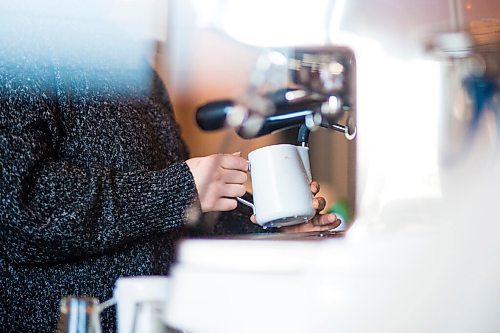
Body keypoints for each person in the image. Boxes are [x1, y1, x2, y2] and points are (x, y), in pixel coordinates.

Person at [0, 15, 340, 333]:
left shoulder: (133, 65)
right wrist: (181, 189)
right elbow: (21, 211)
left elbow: (174, 219)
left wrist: (272, 221)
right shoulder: (19, 45)